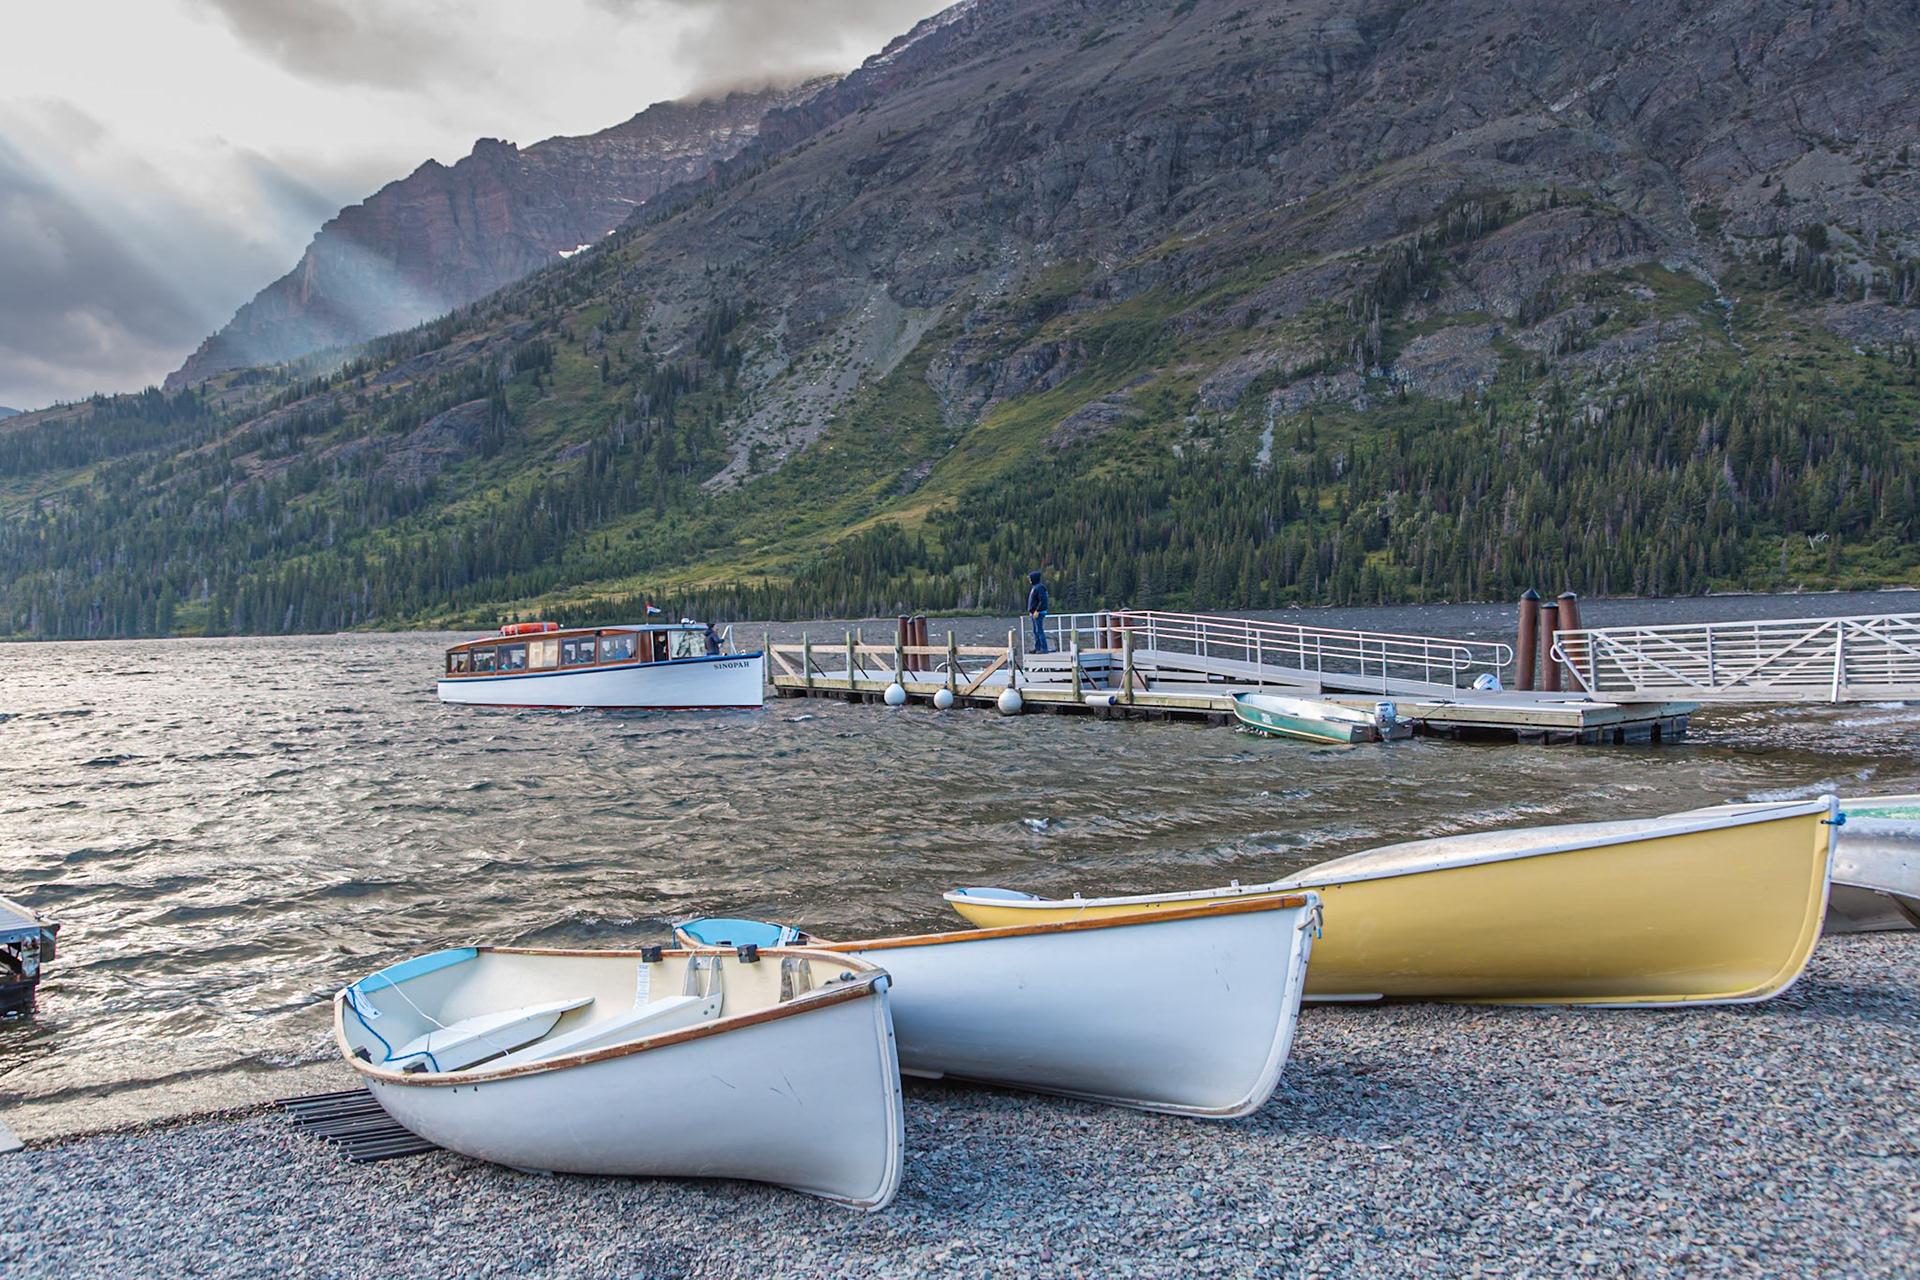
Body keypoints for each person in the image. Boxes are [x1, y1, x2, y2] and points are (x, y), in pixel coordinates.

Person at [1026, 570, 1050, 654]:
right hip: (1034, 613)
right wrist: (1031, 611)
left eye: (1030, 578)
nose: (1029, 580)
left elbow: (1043, 600)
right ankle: (1037, 647)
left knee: (1039, 630)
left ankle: (1044, 648)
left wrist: (1037, 610)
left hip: (1038, 613)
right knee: (1035, 631)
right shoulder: (1035, 587)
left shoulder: (1040, 587)